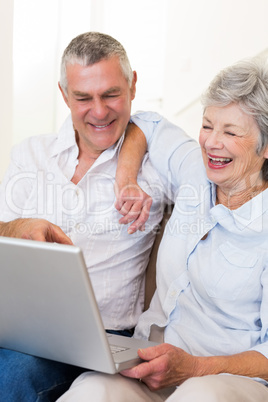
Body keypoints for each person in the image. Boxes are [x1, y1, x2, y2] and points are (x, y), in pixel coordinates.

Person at [57, 57, 268, 401]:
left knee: (199, 395)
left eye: (230, 132)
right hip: (150, 364)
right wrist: (125, 181)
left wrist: (196, 367)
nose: (211, 142)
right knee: (92, 391)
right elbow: (146, 124)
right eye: (207, 125)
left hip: (226, 380)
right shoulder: (193, 171)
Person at [0, 32, 173, 401]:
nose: (98, 111)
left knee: (15, 375)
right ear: (64, 95)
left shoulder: (158, 166)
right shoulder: (30, 153)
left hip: (102, 341)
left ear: (133, 85)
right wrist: (17, 227)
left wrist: (126, 173)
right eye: (83, 97)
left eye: (111, 94)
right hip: (19, 327)